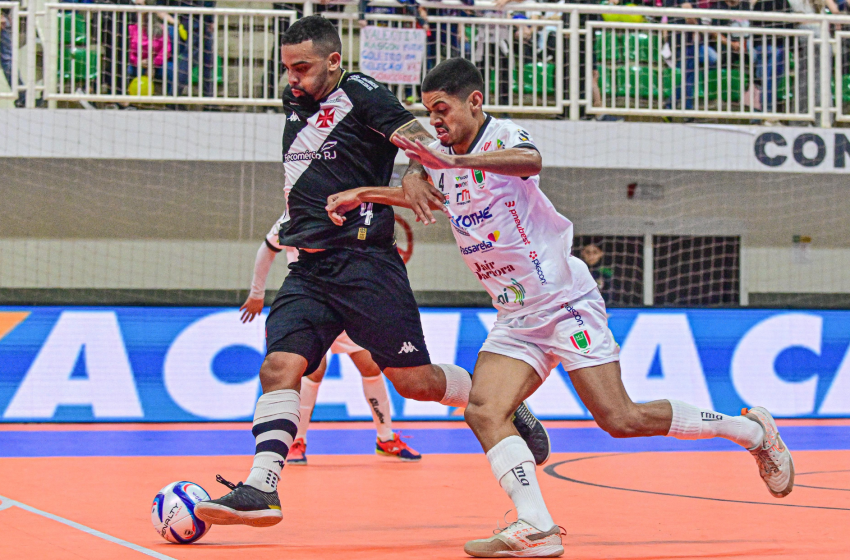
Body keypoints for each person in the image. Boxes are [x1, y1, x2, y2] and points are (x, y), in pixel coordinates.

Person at [327, 58, 795, 558]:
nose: (435, 119)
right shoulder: (440, 154)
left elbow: (530, 160)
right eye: (429, 111)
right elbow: (423, 184)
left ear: (475, 102)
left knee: (620, 419)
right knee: (484, 410)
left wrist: (448, 164)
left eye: (443, 109)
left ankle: (752, 431)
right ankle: (537, 526)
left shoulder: (500, 137)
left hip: (564, 302)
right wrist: (366, 191)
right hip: (514, 316)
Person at [194, 16, 549, 530]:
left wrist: (413, 170)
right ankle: (261, 487)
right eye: (286, 67)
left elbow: (427, 139)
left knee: (415, 383)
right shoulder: (298, 99)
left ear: (334, 62)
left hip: (365, 265)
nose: (291, 78)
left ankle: (494, 398)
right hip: (308, 268)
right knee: (278, 367)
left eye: (303, 67)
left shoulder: (363, 94)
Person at [239, 212, 422, 463]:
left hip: (349, 297)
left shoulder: (351, 208)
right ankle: (296, 441)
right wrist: (257, 293)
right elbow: (268, 248)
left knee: (369, 365)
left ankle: (386, 438)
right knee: (312, 370)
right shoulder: (294, 211)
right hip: (312, 298)